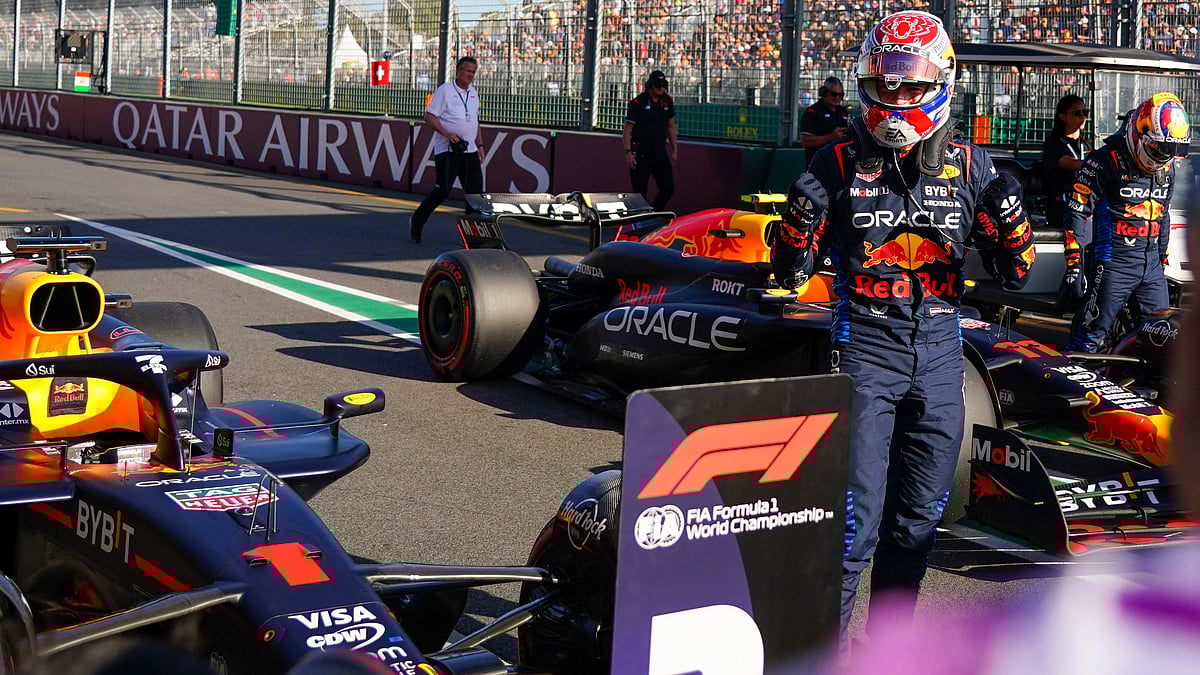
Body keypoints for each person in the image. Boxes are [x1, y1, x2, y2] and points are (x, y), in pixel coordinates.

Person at [770, 10, 1036, 653]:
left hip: (942, 355)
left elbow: (1016, 273)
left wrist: (1011, 223)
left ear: (941, 81)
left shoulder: (974, 166)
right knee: (854, 521)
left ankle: (888, 650)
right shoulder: (836, 159)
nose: (896, 97)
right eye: (886, 83)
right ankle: (823, 650)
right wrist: (795, 224)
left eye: (911, 85)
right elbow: (788, 270)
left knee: (917, 521)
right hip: (864, 348)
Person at [1063, 92, 1190, 352]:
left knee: (1160, 337)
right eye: (1161, 148)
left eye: (1174, 150)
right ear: (1140, 133)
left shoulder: (1167, 169)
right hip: (1112, 267)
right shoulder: (1104, 160)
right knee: (1090, 336)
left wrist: (1163, 258)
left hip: (1152, 268)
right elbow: (1077, 210)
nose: (1165, 157)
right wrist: (1074, 264)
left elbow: (1162, 214)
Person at [409, 56, 486, 244]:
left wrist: (481, 145)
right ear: (458, 70)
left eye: (474, 72)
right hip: (448, 151)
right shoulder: (445, 90)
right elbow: (430, 116)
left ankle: (471, 236)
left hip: (469, 151)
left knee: (475, 194)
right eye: (468, 71)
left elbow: (475, 122)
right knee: (442, 190)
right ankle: (417, 221)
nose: (471, 75)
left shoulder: (473, 93)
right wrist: (448, 134)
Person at [623, 70, 678, 210]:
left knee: (668, 187)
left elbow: (671, 126)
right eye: (658, 86)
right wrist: (628, 152)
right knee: (639, 194)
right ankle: (638, 222)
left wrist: (674, 150)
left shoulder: (667, 101)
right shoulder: (638, 102)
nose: (661, 89)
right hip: (641, 152)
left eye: (663, 86)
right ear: (651, 86)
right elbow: (628, 129)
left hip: (659, 151)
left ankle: (655, 212)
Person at [1040, 94, 1089, 229]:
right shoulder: (1053, 144)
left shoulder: (1087, 145)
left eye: (1085, 112)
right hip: (1063, 201)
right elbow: (1069, 162)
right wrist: (1093, 164)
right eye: (1076, 113)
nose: (1082, 117)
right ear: (1062, 117)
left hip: (1086, 199)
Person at [799, 76, 851, 169]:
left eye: (841, 95)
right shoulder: (813, 112)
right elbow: (805, 141)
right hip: (818, 164)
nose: (837, 98)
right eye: (834, 94)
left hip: (841, 165)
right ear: (824, 93)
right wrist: (832, 137)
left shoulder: (843, 112)